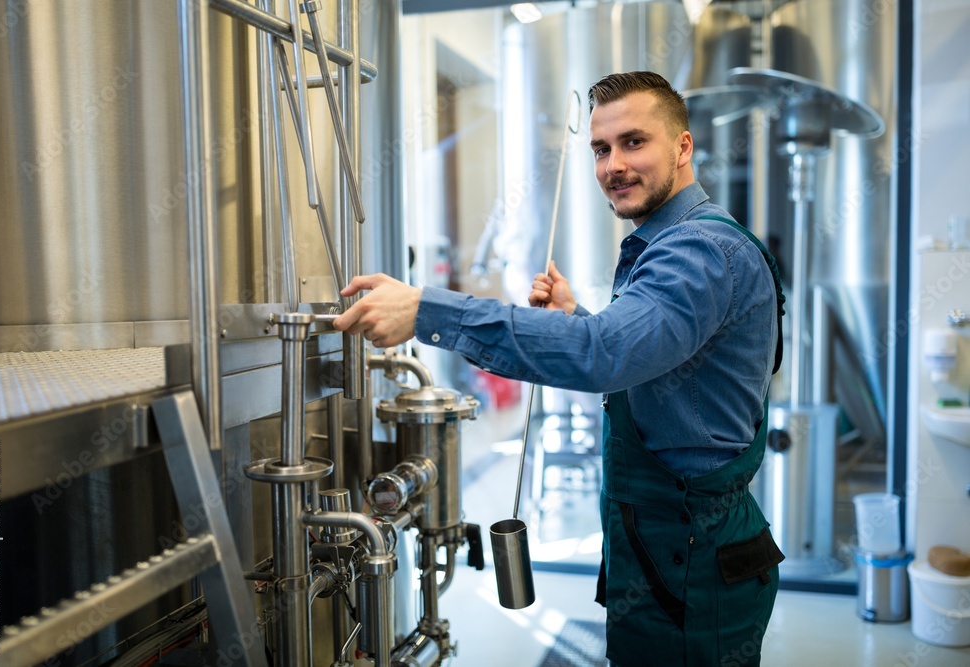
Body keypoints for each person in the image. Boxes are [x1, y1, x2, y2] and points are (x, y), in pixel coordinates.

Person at [333, 71, 786, 666]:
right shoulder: (670, 243)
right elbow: (660, 361)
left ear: (682, 147)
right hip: (666, 547)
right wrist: (578, 317)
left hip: (692, 558)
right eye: (601, 149)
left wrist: (427, 309)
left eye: (633, 142)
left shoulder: (697, 250)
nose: (613, 165)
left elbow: (605, 355)